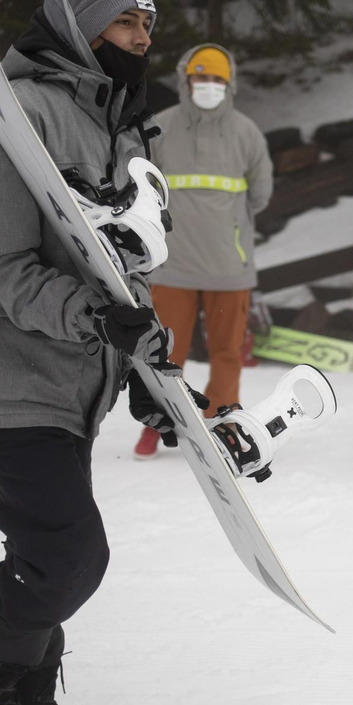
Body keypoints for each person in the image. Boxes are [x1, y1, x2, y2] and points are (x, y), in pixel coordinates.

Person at [0, 0, 180, 705]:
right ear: (79, 23)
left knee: (47, 546)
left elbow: (116, 266)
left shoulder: (117, 127)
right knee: (68, 553)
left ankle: (27, 694)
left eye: (147, 26)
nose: (141, 40)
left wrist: (139, 366)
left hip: (68, 384)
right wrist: (96, 321)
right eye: (126, 23)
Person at [138, 43, 274, 458]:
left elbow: (261, 193)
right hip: (172, 265)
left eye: (217, 79)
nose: (209, 86)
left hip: (228, 268)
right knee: (165, 353)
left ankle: (223, 422)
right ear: (186, 80)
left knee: (227, 353)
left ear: (229, 84)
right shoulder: (160, 128)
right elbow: (142, 184)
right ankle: (157, 426)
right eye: (201, 77)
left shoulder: (247, 133)